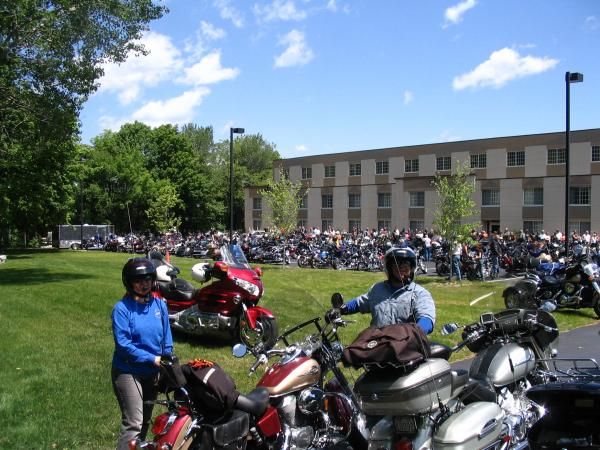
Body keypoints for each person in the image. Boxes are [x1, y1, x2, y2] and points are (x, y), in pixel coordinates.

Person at [111, 257, 174, 450]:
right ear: (129, 283)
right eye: (138, 281)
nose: (144, 284)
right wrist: (151, 358)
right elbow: (123, 345)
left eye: (147, 279)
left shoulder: (159, 305)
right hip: (128, 371)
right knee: (134, 422)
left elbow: (166, 336)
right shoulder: (121, 309)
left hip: (153, 370)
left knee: (146, 420)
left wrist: (167, 357)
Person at [339, 247, 435, 334]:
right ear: (389, 267)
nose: (401, 267)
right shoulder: (377, 289)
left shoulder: (420, 293)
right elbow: (359, 303)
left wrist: (416, 332)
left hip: (405, 347)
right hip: (376, 345)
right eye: (397, 264)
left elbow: (426, 318)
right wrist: (340, 310)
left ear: (412, 268)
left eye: (406, 264)